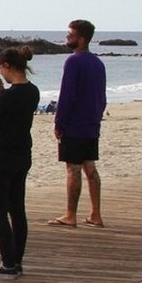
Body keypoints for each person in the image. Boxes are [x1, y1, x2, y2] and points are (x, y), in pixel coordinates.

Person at [0, 47, 40, 278]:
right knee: (17, 210)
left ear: (7, 67)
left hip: (0, 157)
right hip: (21, 155)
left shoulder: (10, 97)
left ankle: (8, 263)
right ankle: (16, 261)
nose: (0, 72)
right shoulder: (32, 91)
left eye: (1, 68)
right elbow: (5, 105)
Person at [48, 19, 108, 228]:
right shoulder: (98, 63)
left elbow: (67, 95)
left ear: (81, 39)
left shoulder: (73, 61)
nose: (67, 38)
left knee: (73, 169)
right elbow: (102, 97)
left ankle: (70, 215)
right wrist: (97, 117)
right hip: (92, 124)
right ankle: (96, 214)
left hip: (75, 124)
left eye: (70, 35)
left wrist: (59, 122)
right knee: (90, 168)